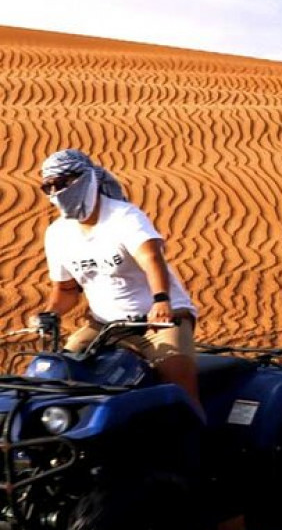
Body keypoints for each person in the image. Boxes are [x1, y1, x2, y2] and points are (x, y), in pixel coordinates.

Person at [31, 149, 201, 408]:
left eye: (63, 183)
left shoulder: (124, 216)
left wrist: (161, 301)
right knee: (58, 374)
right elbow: (65, 289)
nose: (56, 191)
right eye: (49, 186)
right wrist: (51, 313)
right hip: (104, 326)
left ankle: (196, 441)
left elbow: (151, 258)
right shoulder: (57, 233)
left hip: (157, 324)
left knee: (179, 390)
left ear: (86, 178)